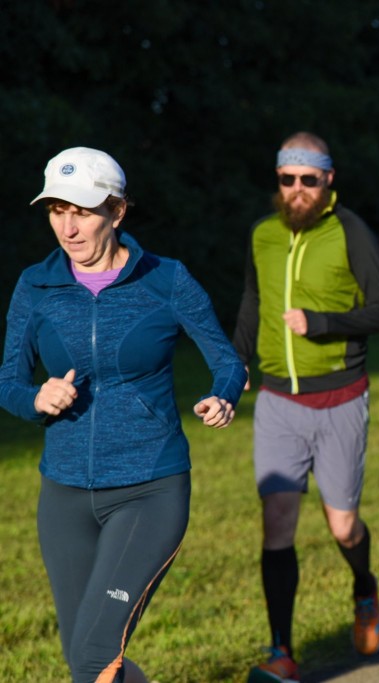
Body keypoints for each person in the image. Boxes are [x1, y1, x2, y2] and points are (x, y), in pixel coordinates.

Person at [0, 147, 245, 683]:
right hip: (63, 495)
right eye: (56, 210)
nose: (68, 226)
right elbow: (8, 385)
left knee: (92, 653)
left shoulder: (166, 280)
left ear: (117, 211)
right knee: (87, 659)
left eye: (82, 211)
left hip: (148, 489)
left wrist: (222, 395)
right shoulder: (34, 286)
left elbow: (227, 363)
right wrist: (36, 400)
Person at [233, 132, 379, 681]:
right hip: (279, 397)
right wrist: (234, 371)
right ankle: (282, 652)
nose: (298, 189)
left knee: (343, 525)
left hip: (340, 396)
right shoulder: (263, 235)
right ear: (278, 180)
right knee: (277, 522)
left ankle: (365, 587)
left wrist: (322, 324)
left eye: (310, 178)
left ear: (328, 180)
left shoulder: (349, 231)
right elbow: (252, 305)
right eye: (289, 179)